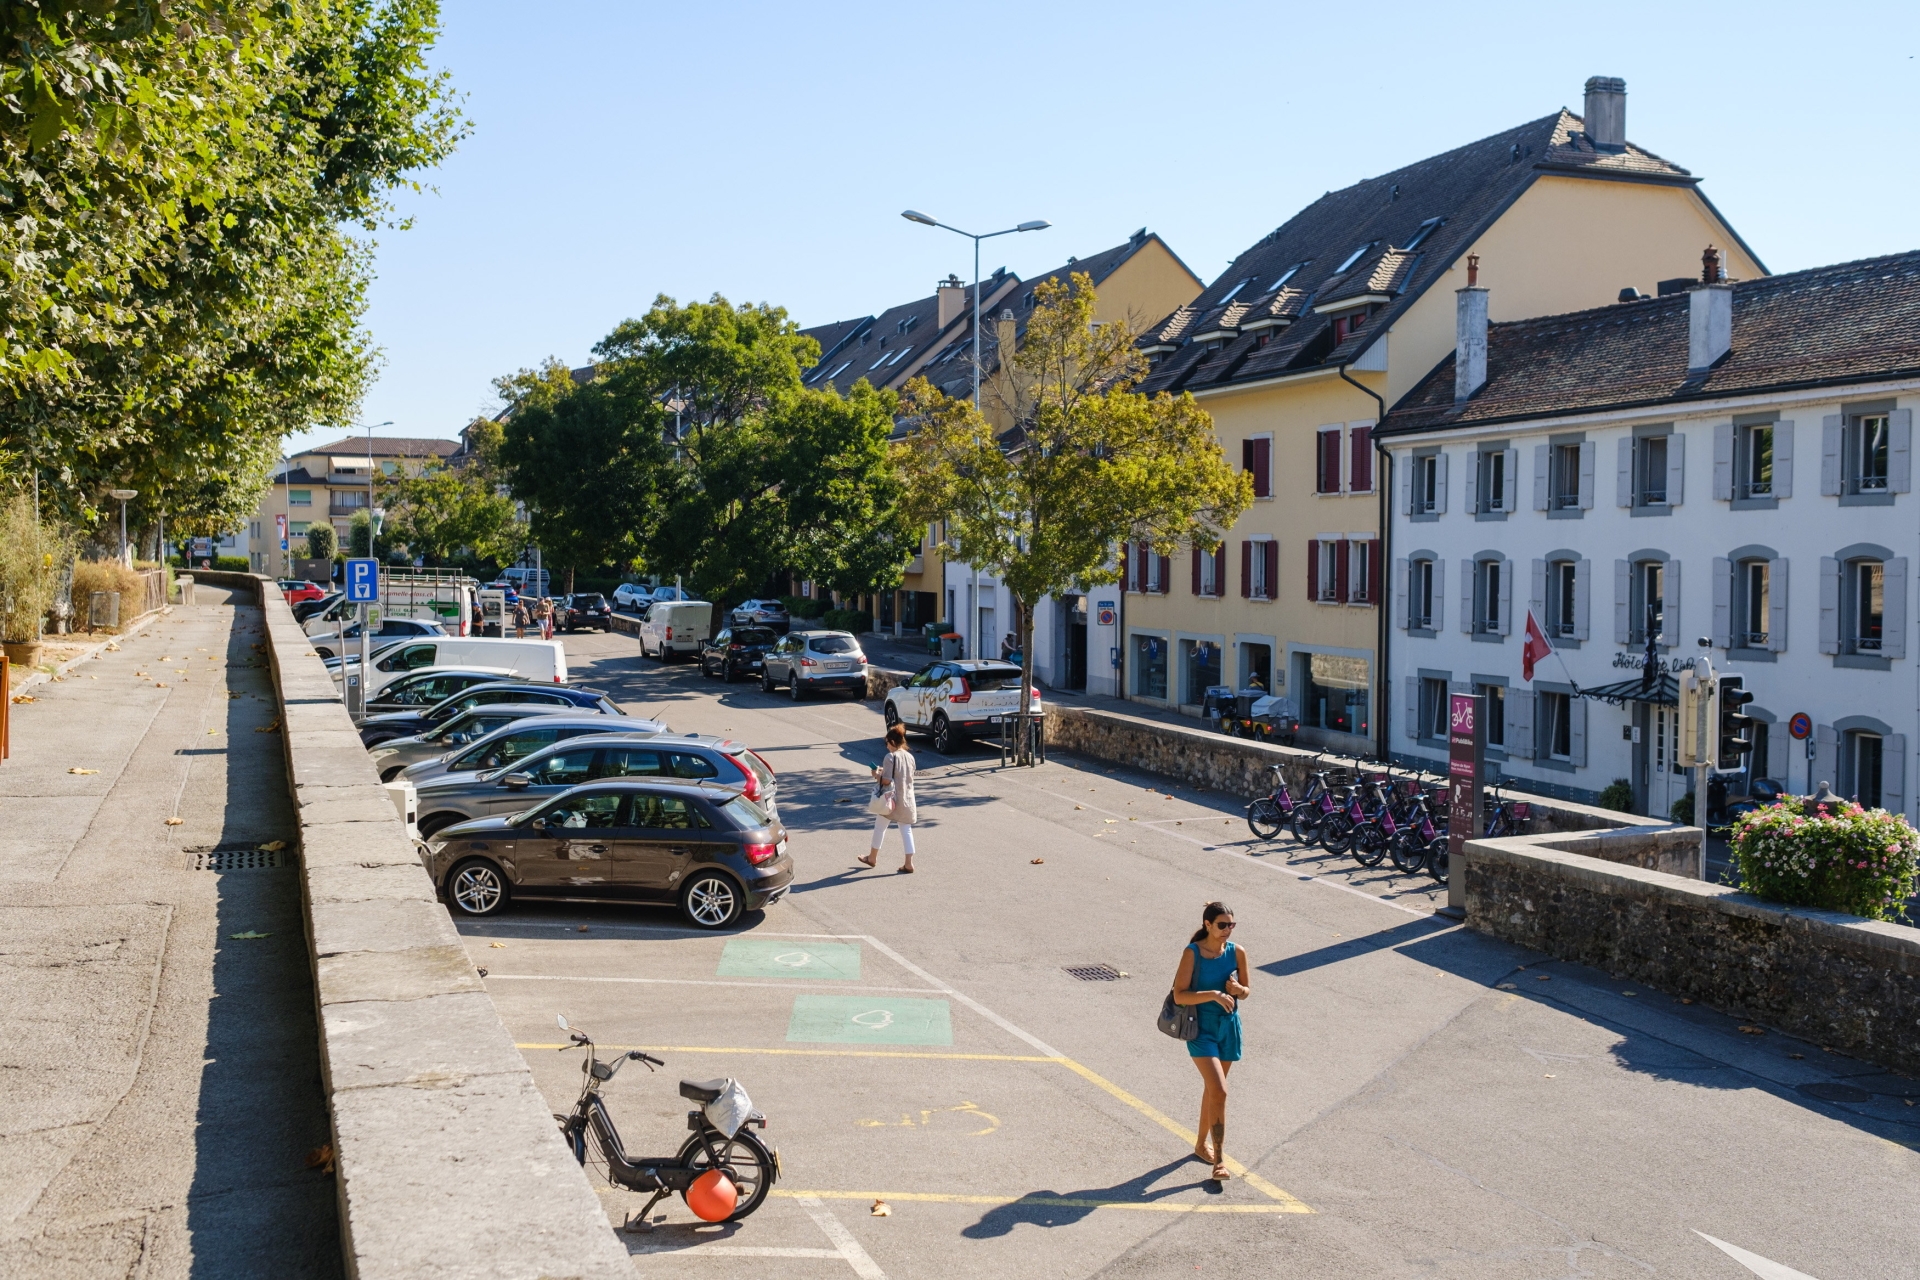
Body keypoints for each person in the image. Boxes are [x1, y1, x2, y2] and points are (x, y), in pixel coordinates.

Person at [1171, 902, 1248, 1182]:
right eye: (1221, 925)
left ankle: (1200, 1144)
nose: (1227, 930)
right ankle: (1219, 1159)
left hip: (1228, 1028)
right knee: (1220, 1090)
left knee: (1214, 1090)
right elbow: (1180, 995)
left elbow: (1246, 991)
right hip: (1200, 1031)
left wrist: (1239, 989)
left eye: (1231, 925)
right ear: (1207, 925)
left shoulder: (1237, 952)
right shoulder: (1192, 954)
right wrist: (1214, 994)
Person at [858, 723, 917, 873]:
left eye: (887, 743)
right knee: (906, 829)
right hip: (907, 799)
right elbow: (904, 775)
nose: (886, 746)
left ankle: (872, 857)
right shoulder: (910, 757)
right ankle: (909, 863)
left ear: (891, 742)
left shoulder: (890, 756)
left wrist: (876, 775)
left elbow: (886, 781)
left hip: (891, 799)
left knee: (880, 827)